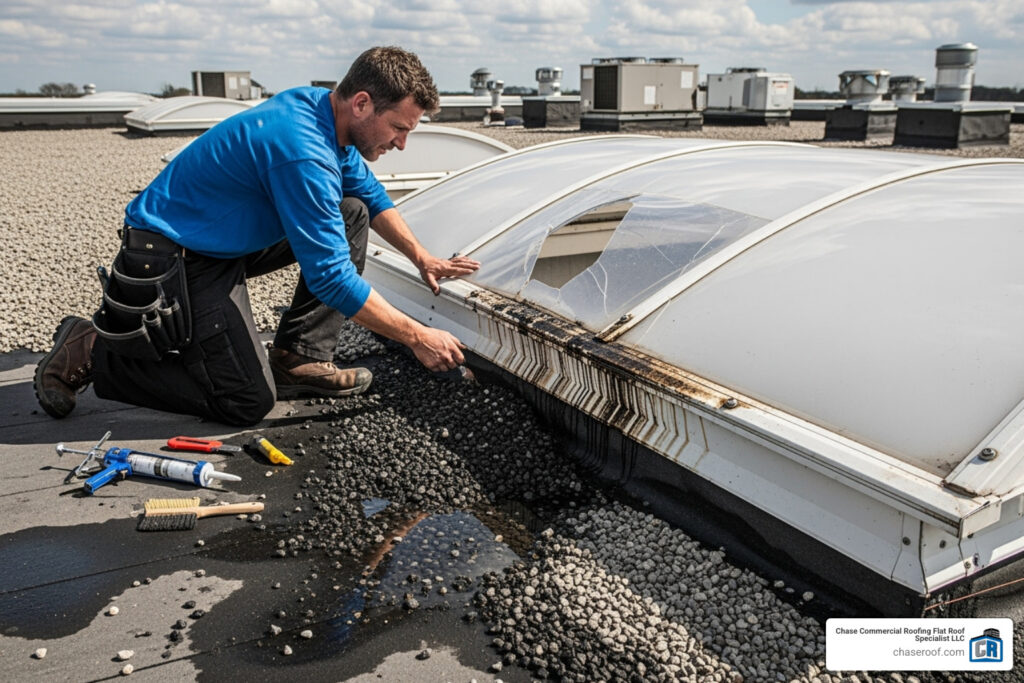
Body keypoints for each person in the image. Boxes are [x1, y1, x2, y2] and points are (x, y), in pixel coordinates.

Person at [34, 46, 480, 426]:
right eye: (399, 129)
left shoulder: (323, 112)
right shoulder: (302, 150)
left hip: (216, 239)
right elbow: (331, 278)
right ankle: (95, 349)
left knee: (351, 213)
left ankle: (298, 359)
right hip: (172, 258)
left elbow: (369, 194)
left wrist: (423, 257)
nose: (402, 143)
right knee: (247, 401)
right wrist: (417, 336)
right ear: (362, 103)